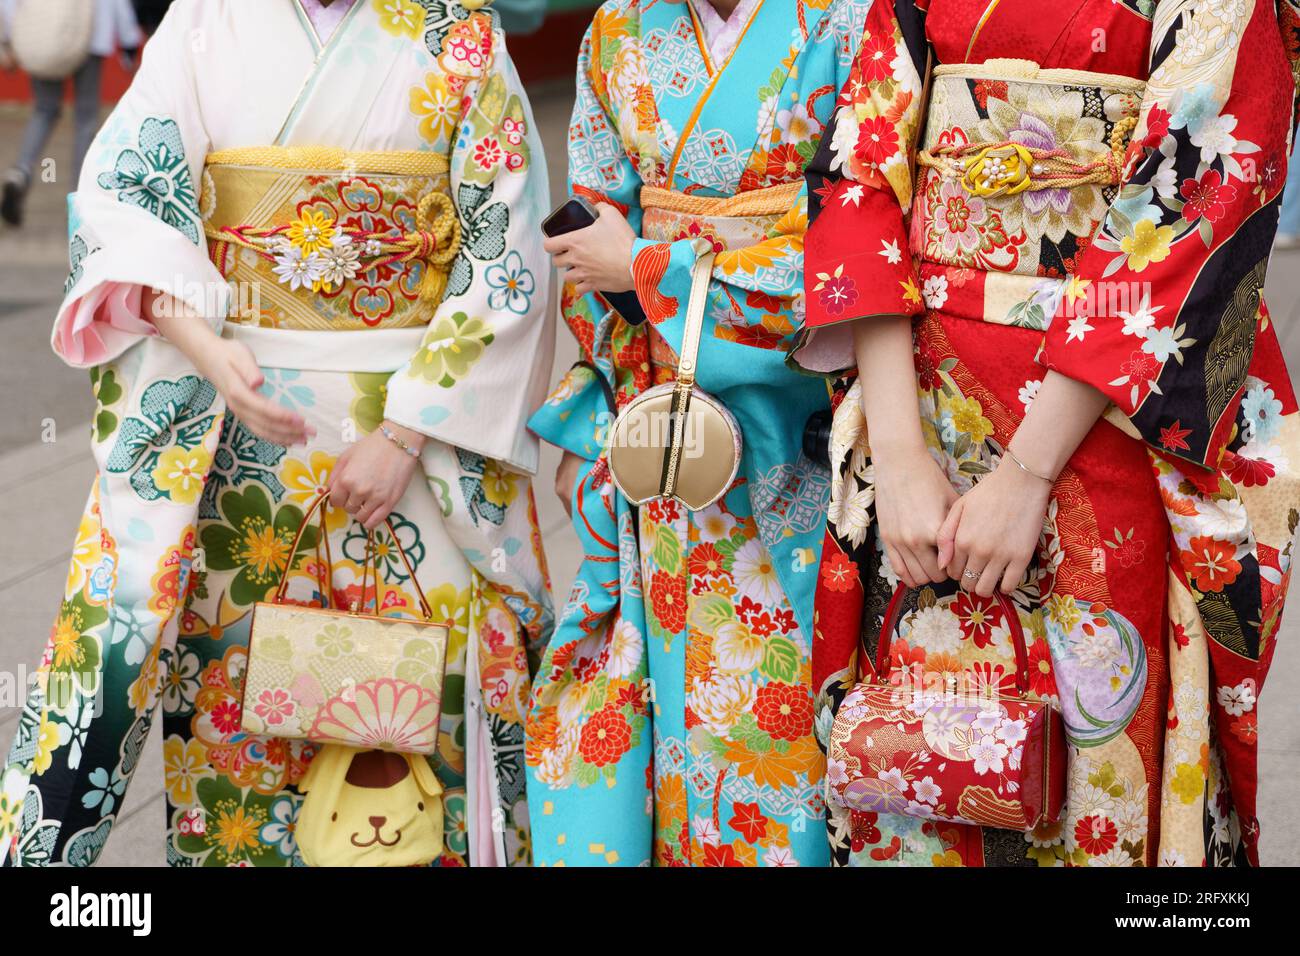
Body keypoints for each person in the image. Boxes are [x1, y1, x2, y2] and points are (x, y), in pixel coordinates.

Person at [0, 0, 554, 867]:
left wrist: (403, 433)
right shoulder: (204, 21)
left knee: (418, 713)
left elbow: (506, 253)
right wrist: (206, 351)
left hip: (412, 445)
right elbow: (123, 207)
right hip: (235, 444)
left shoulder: (461, 34)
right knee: (237, 712)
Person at [795, 0, 1300, 867]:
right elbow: (863, 177)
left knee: (1101, 740)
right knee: (916, 743)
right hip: (922, 404)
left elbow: (1191, 189)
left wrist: (1028, 472)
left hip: (1101, 419)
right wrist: (903, 453)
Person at [524, 0, 858, 867]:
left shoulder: (851, 19)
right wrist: (598, 396)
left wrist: (653, 266)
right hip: (670, 429)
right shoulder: (618, 30)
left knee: (810, 691)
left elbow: (857, 231)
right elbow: (586, 233)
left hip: (814, 418)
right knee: (690, 702)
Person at [0, 0, 142, 227]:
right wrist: (129, 37)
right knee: (85, 121)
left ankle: (21, 171)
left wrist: (9, 38)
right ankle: (79, 199)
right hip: (92, 36)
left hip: (44, 34)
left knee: (44, 110)